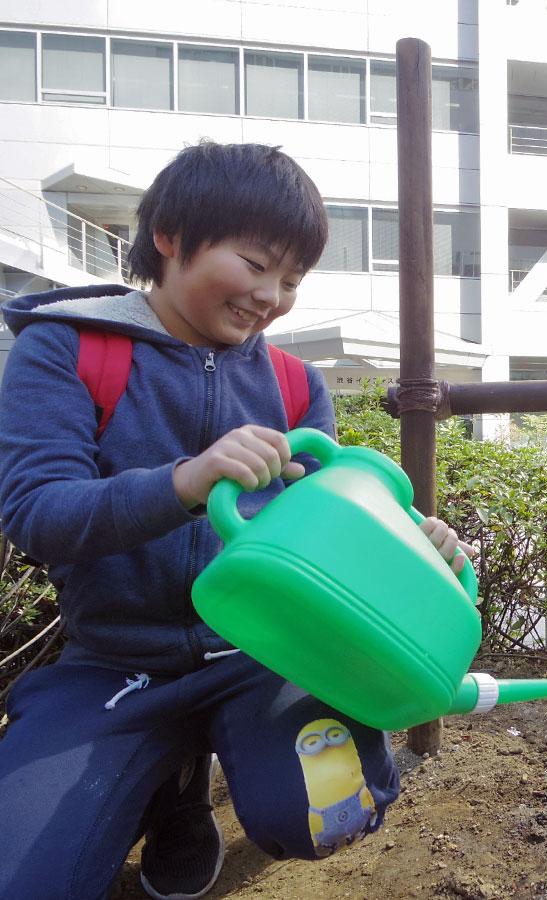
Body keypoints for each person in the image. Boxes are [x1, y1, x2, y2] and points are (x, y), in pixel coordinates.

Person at [0, 142, 474, 900]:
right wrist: (183, 482)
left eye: (291, 280)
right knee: (26, 881)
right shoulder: (67, 348)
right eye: (255, 264)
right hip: (115, 662)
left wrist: (414, 547)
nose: (271, 296)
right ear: (170, 237)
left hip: (262, 649)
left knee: (330, 816)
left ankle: (205, 759)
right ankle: (174, 790)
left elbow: (331, 528)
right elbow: (36, 514)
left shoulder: (291, 383)